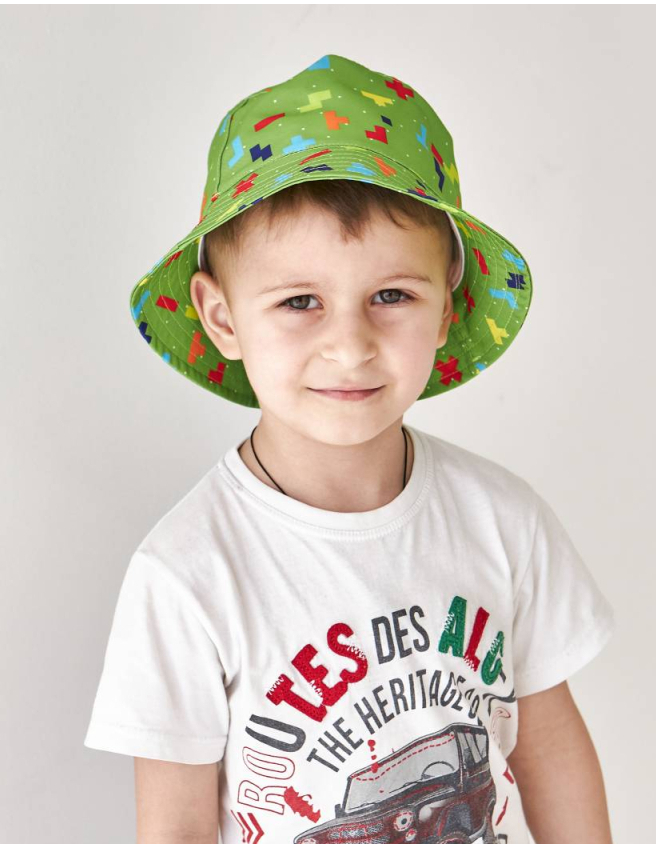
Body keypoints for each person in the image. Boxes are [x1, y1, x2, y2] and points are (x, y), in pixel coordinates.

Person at [84, 54, 616, 844]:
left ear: (446, 310)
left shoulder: (503, 520)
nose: (350, 345)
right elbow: (176, 826)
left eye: (391, 295)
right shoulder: (187, 573)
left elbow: (548, 746)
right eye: (300, 301)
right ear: (222, 318)